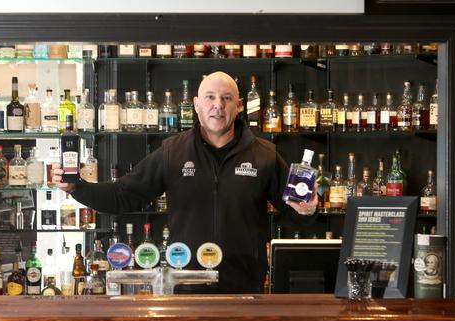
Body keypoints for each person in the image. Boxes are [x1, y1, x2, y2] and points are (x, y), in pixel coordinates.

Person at [59, 71, 318, 293]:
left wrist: (308, 209)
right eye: (210, 97)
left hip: (245, 287)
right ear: (196, 104)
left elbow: (296, 211)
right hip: (186, 284)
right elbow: (123, 195)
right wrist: (77, 188)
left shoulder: (265, 154)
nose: (218, 105)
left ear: (239, 105)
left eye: (227, 98)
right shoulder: (173, 151)